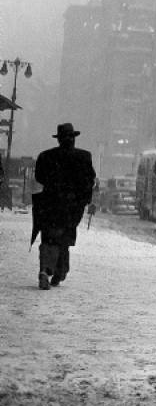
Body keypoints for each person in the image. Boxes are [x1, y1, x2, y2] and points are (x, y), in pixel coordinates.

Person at [32, 123, 96, 289]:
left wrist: (54, 185)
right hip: (71, 208)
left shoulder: (46, 156)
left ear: (58, 139)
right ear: (73, 138)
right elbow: (89, 181)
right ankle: (59, 272)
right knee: (64, 240)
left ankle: (45, 270)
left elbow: (39, 177)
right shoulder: (84, 157)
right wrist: (83, 199)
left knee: (48, 238)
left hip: (49, 204)